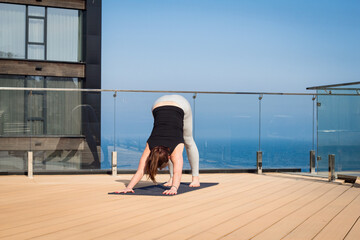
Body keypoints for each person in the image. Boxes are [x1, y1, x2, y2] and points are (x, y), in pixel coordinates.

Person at [119, 95, 200, 195]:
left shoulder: (176, 148)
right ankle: (172, 179)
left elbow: (177, 173)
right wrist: (129, 187)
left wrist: (174, 188)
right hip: (158, 105)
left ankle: (195, 178)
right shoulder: (150, 146)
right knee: (183, 138)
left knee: (188, 139)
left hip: (180, 104)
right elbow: (140, 171)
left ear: (169, 157)